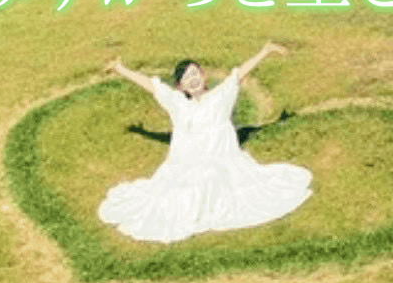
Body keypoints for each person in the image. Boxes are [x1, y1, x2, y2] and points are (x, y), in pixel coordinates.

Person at [99, 42, 313, 243]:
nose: (192, 79)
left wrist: (265, 51)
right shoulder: (177, 103)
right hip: (184, 164)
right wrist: (120, 68)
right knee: (175, 195)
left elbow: (239, 74)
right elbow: (151, 85)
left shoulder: (220, 97)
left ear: (203, 76)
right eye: (186, 78)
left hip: (221, 159)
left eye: (195, 74)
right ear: (180, 86)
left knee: (212, 178)